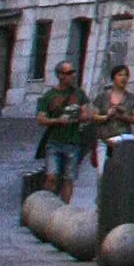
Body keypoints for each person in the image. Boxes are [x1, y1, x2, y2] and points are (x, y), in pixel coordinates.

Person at [35, 60, 87, 197]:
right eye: (69, 73)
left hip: (73, 142)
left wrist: (80, 116)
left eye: (73, 72)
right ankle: (45, 204)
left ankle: (63, 212)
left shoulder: (79, 94)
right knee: (51, 176)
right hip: (54, 142)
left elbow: (87, 113)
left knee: (68, 180)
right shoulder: (49, 96)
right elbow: (41, 119)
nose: (73, 75)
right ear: (60, 76)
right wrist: (58, 120)